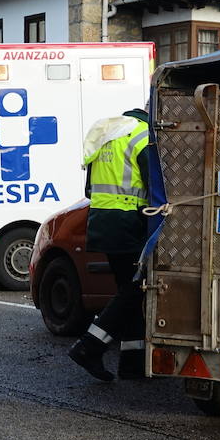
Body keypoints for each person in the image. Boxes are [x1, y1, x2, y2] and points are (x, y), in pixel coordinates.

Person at [68, 106, 151, 381]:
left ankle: (133, 363)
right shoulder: (142, 136)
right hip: (128, 221)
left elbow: (90, 188)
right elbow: (156, 188)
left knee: (130, 290)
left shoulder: (106, 134)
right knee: (135, 290)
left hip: (102, 221)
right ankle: (89, 346)